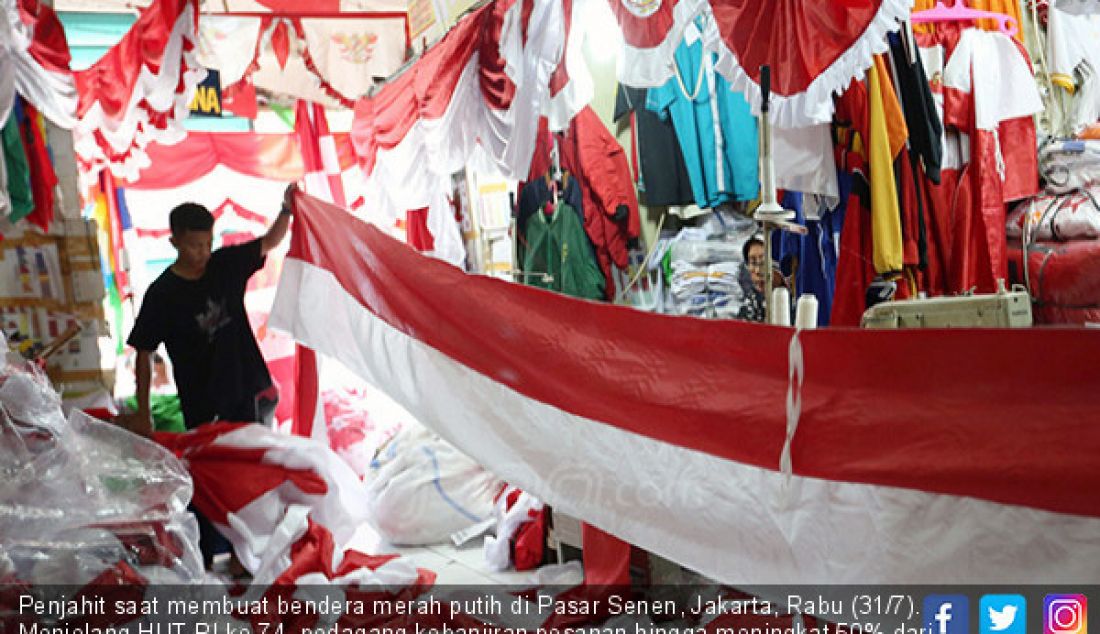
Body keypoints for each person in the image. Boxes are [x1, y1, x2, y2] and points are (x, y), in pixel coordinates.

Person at [125, 184, 296, 571]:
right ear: (173, 241)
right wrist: (143, 411)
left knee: (248, 473)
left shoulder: (224, 265)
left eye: (207, 244)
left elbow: (270, 240)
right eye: (193, 246)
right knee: (211, 479)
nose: (202, 253)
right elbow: (143, 352)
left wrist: (286, 208)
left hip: (246, 389)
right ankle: (207, 553)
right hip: (202, 402)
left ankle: (243, 555)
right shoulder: (162, 294)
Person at [739, 235, 767, 322]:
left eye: (763, 262)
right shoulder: (751, 302)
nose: (758, 271)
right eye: (753, 263)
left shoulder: (791, 301)